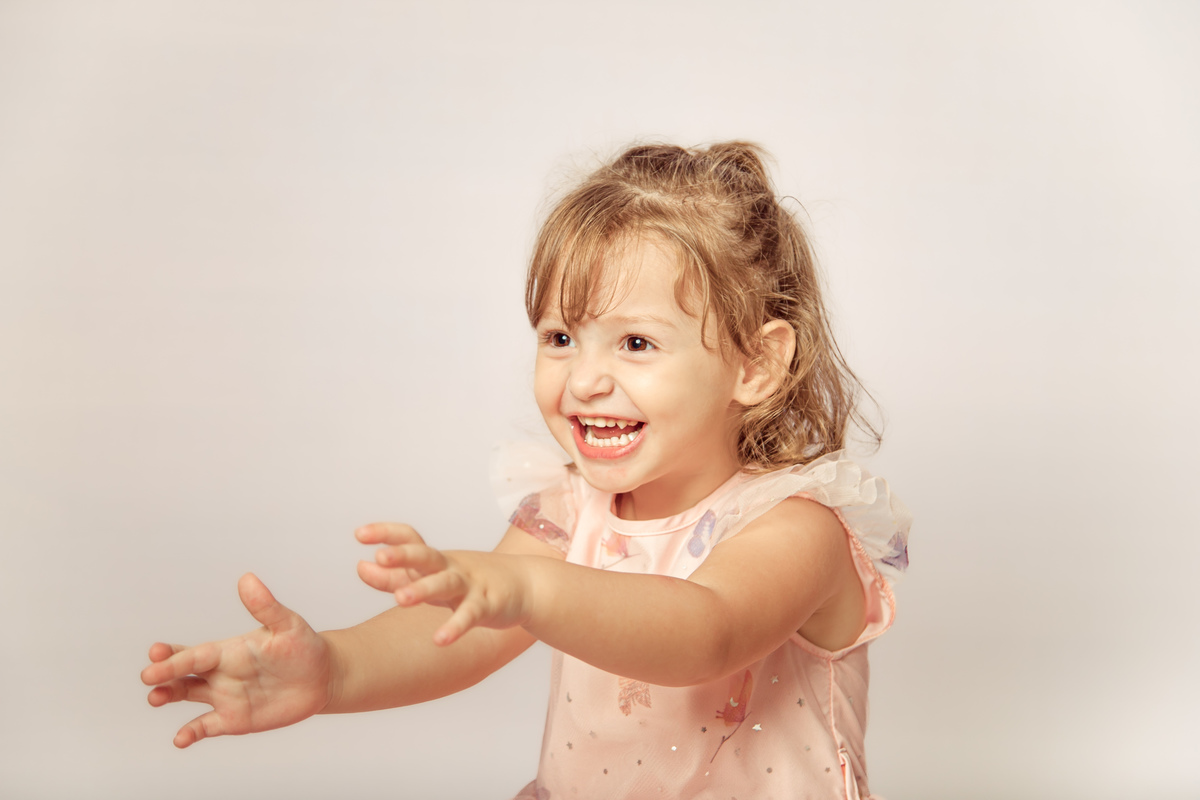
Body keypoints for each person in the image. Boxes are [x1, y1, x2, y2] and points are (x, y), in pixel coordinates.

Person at [141, 141, 911, 799]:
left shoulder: (797, 526)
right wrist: (332, 672)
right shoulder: (573, 507)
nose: (583, 381)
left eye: (635, 344)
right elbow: (463, 635)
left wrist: (525, 589)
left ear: (757, 363)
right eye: (561, 337)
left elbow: (706, 631)